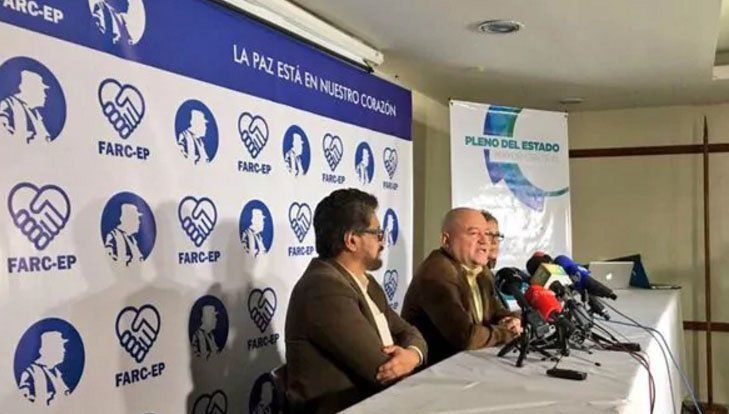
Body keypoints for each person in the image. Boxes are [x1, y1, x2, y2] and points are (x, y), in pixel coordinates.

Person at [285, 188, 427, 414]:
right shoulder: (323, 289)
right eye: (377, 233)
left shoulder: (366, 283)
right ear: (351, 240)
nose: (383, 242)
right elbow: (382, 369)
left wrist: (412, 355)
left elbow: (410, 332)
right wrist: (411, 359)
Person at [401, 208, 522, 365]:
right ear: (446, 240)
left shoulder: (481, 270)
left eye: (487, 234)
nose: (485, 241)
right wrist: (506, 332)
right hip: (436, 371)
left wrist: (511, 320)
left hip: (472, 363)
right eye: (474, 233)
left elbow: (495, 311)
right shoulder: (436, 273)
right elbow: (467, 337)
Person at [18, 331, 70, 405]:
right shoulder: (30, 374)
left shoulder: (56, 372)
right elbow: (23, 404)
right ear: (50, 349)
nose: (64, 350)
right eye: (60, 346)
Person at [0, 70, 51, 143]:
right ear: (32, 90)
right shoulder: (8, 105)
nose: (45, 95)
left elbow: (45, 137)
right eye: (42, 90)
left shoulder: (34, 112)